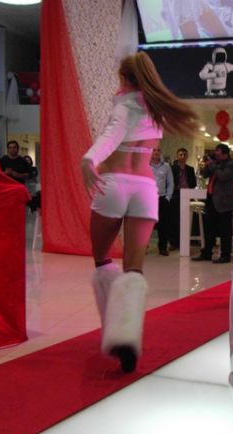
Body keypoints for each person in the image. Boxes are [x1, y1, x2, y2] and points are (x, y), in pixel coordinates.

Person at [80, 51, 198, 373]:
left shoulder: (124, 106)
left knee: (102, 259)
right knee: (134, 269)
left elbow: (111, 135)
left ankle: (113, 326)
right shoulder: (156, 109)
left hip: (114, 184)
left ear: (124, 78)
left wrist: (89, 159)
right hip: (146, 189)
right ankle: (126, 334)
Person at [192, 143, 233, 264]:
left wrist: (212, 165)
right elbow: (204, 175)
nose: (216, 153)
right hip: (211, 199)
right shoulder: (216, 163)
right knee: (209, 228)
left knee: (225, 230)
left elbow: (222, 176)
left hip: (224, 201)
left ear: (225, 153)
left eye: (218, 151)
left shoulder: (231, 164)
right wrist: (207, 165)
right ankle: (206, 253)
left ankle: (225, 255)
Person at [169, 147, 196, 250]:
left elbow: (194, 183)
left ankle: (184, 241)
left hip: (187, 194)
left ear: (187, 156)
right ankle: (173, 242)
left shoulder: (190, 169)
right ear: (177, 156)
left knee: (186, 219)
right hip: (176, 195)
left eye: (184, 155)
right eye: (181, 154)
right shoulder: (172, 168)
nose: (183, 156)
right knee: (174, 219)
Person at [149, 147, 174, 256]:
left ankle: (162, 248)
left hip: (162, 198)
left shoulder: (166, 166)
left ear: (161, 153)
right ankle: (143, 247)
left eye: (158, 150)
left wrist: (168, 197)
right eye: (154, 150)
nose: (156, 152)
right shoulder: (145, 165)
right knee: (146, 224)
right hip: (148, 199)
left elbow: (170, 183)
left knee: (163, 225)